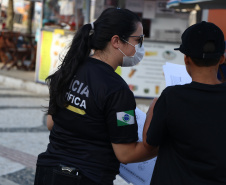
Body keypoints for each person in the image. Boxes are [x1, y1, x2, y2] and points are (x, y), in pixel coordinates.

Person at [34, 8, 158, 185]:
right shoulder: (117, 91)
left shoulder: (70, 69)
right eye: (138, 40)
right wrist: (160, 146)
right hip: (87, 178)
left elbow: (51, 123)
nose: (140, 47)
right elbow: (125, 154)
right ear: (116, 41)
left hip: (49, 174)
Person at [144, 21, 226, 185]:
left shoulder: (172, 97)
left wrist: (152, 111)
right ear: (222, 59)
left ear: (186, 59)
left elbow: (149, 143)